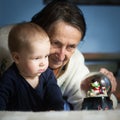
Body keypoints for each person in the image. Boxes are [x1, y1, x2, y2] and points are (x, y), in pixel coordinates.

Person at [31, 0, 117, 110]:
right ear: (39, 32)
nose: (62, 56)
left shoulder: (75, 62)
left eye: (71, 46)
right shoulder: (13, 51)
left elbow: (86, 107)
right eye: (55, 43)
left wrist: (103, 91)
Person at [0, 22, 64, 111]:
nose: (43, 63)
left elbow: (55, 96)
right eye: (37, 58)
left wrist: (56, 110)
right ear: (17, 58)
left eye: (46, 56)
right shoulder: (9, 78)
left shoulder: (48, 75)